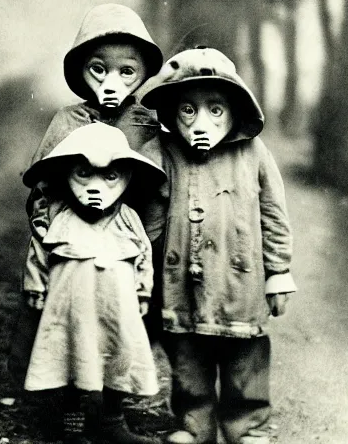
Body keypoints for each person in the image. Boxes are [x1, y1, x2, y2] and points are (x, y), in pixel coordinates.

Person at [138, 47, 297, 444]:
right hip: (181, 284)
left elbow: (274, 213)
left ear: (236, 111)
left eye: (215, 110)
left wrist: (278, 271)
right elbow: (147, 220)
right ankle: (194, 424)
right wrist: (139, 273)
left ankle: (247, 425)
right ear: (172, 113)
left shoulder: (254, 153)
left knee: (246, 359)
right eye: (188, 111)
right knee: (187, 357)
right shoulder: (162, 153)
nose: (201, 124)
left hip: (240, 281)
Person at [22, 123, 166, 444]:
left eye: (110, 176)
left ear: (127, 176)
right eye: (84, 175)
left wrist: (142, 290)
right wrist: (35, 285)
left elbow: (143, 254)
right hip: (71, 309)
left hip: (118, 308)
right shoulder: (58, 216)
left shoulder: (128, 218)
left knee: (118, 358)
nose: (96, 187)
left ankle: (111, 422)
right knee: (72, 360)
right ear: (65, 174)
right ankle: (72, 428)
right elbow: (39, 251)